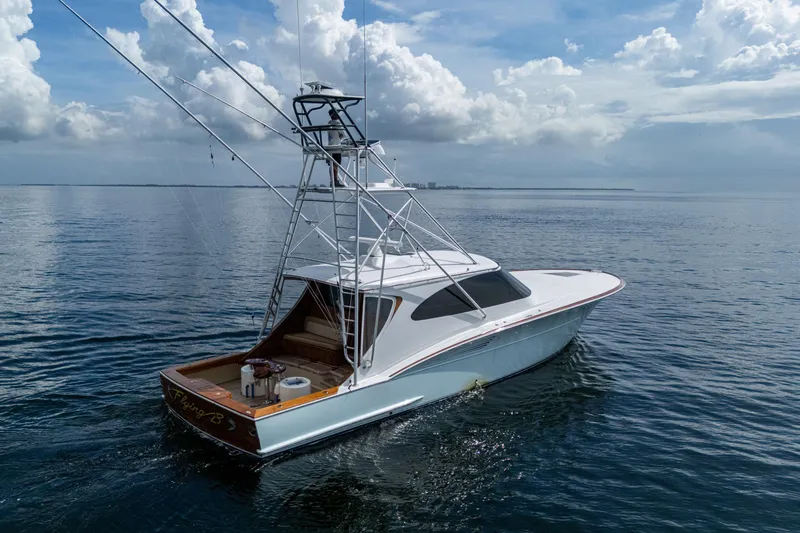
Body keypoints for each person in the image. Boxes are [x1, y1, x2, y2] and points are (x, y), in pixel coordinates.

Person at [327, 109, 346, 187]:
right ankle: (335, 181)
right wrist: (340, 137)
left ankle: (332, 181)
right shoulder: (337, 123)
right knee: (336, 164)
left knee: (332, 164)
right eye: (337, 114)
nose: (338, 115)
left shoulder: (329, 123)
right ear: (334, 115)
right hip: (337, 146)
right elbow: (344, 135)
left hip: (330, 146)